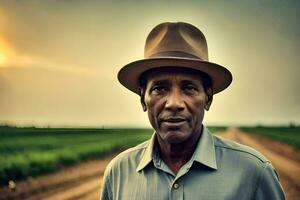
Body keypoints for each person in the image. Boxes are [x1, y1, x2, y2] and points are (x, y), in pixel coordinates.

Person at [100, 22, 285, 200]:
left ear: (208, 98)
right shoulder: (118, 173)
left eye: (189, 88)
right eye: (159, 88)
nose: (174, 103)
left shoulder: (254, 173)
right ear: (142, 99)